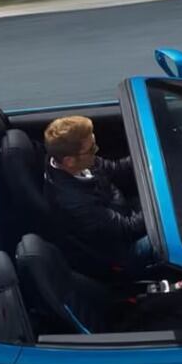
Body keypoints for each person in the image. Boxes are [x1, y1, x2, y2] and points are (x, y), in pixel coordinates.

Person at [42, 116, 153, 273]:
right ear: (69, 161)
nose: (97, 150)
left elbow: (116, 169)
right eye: (92, 149)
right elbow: (127, 230)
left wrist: (152, 159)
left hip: (125, 212)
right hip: (126, 247)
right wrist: (165, 208)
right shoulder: (75, 203)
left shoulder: (79, 162)